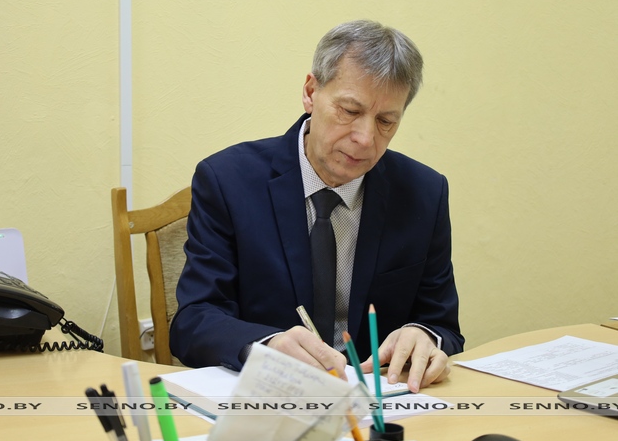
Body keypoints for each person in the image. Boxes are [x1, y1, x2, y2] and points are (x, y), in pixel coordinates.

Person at [170, 20, 464, 393]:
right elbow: (194, 321)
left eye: (386, 121)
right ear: (311, 93)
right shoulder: (227, 181)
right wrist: (265, 346)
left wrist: (425, 336)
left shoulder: (424, 192)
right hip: (271, 398)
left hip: (381, 403)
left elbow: (442, 325)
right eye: (350, 111)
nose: (365, 138)